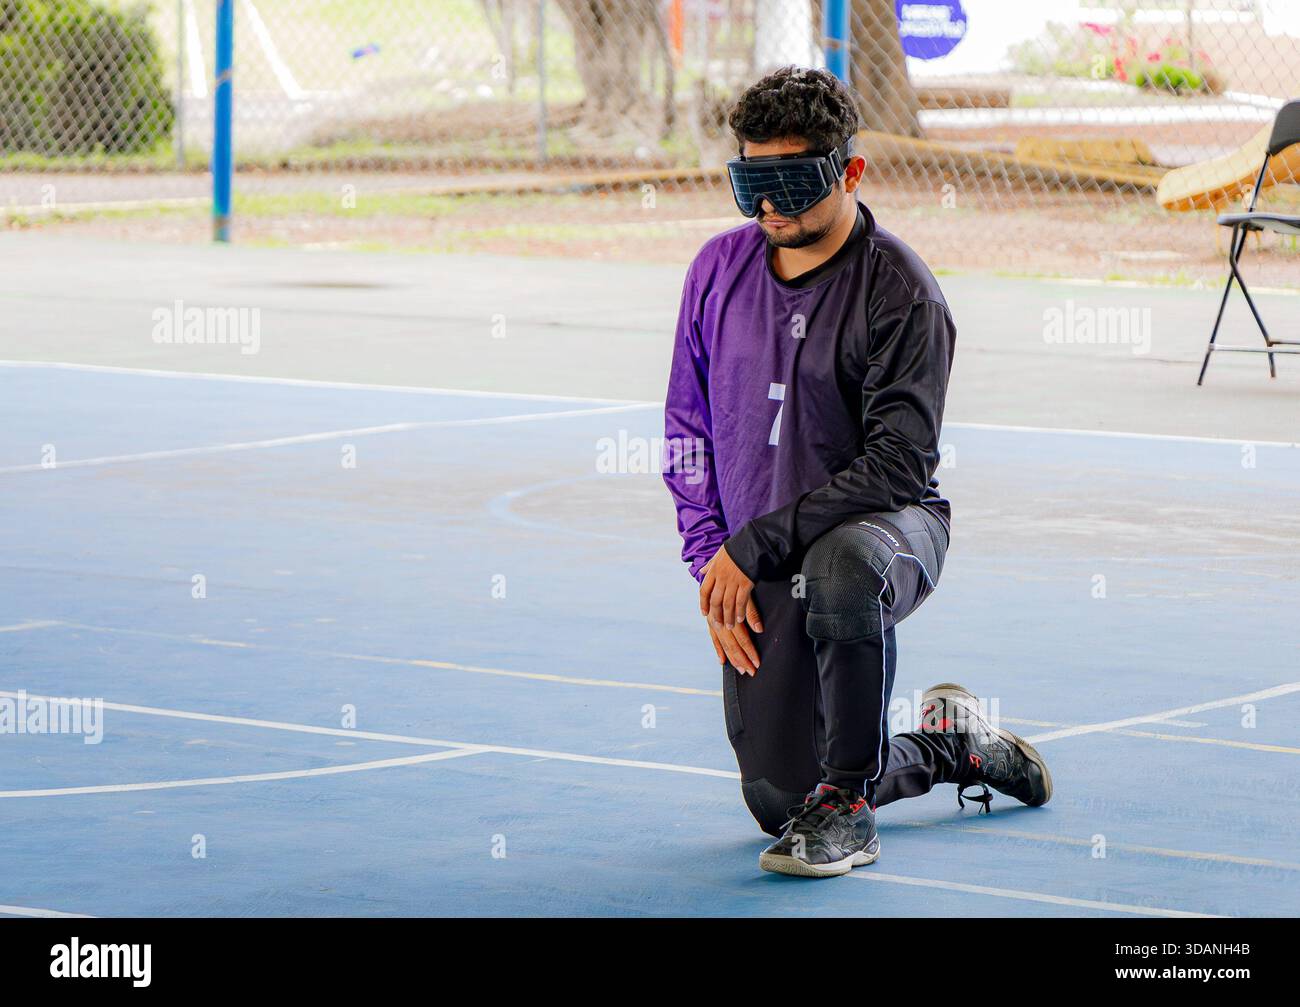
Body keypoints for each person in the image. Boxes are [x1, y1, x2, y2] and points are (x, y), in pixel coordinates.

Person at [662, 66, 1052, 878]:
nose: (770, 206)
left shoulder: (902, 292)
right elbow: (687, 429)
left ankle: (848, 810)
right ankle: (949, 748)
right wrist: (714, 560)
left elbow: (898, 464)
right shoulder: (714, 273)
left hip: (888, 528)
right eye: (750, 183)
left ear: (850, 172)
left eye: (793, 182)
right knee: (776, 798)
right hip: (764, 553)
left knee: (841, 568)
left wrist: (754, 544)